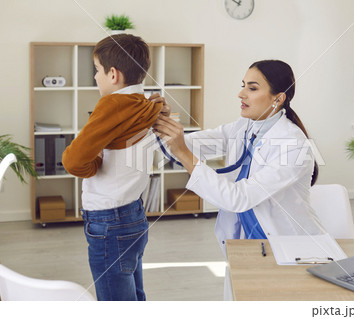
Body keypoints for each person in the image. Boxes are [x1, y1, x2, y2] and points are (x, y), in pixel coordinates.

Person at [153, 60, 326, 256]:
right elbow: (187, 144)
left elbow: (239, 198)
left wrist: (184, 153)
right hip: (249, 243)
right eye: (243, 85)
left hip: (292, 247)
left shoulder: (293, 144)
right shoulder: (244, 126)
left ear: (278, 99)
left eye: (252, 88)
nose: (241, 94)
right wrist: (163, 120)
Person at [62, 34, 168, 301]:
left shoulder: (112, 105)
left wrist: (94, 163)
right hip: (133, 214)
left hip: (108, 221)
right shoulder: (144, 104)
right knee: (132, 295)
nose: (95, 77)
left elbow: (73, 161)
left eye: (97, 70)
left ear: (113, 74)